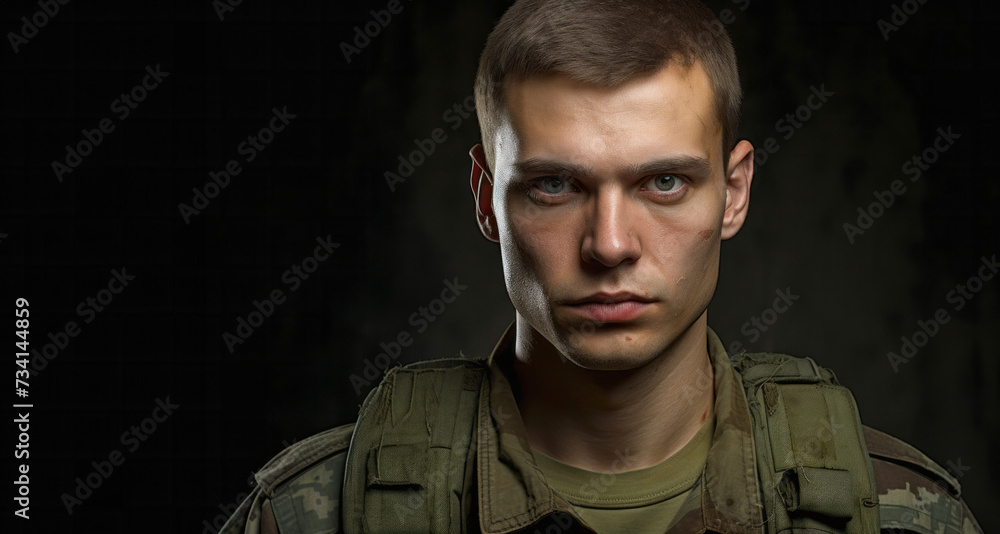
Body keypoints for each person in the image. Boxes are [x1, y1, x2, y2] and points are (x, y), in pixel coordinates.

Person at [220, 0, 983, 532]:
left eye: (663, 182)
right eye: (556, 185)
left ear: (734, 192)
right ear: (487, 200)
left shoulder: (899, 513)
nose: (610, 244)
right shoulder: (312, 515)